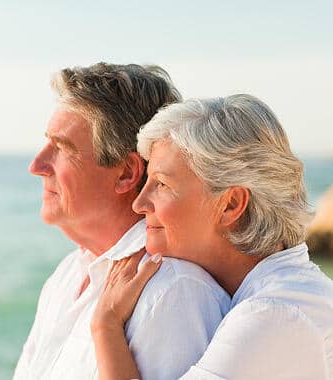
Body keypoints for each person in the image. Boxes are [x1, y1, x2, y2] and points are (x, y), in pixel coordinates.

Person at [14, 63, 231, 380]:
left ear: (127, 174)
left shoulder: (173, 291)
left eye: (62, 148)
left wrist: (107, 326)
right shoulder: (66, 276)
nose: (37, 165)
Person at [93, 94, 333, 379]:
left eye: (161, 184)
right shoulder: (286, 292)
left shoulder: (273, 313)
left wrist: (106, 326)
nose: (139, 203)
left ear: (231, 205)